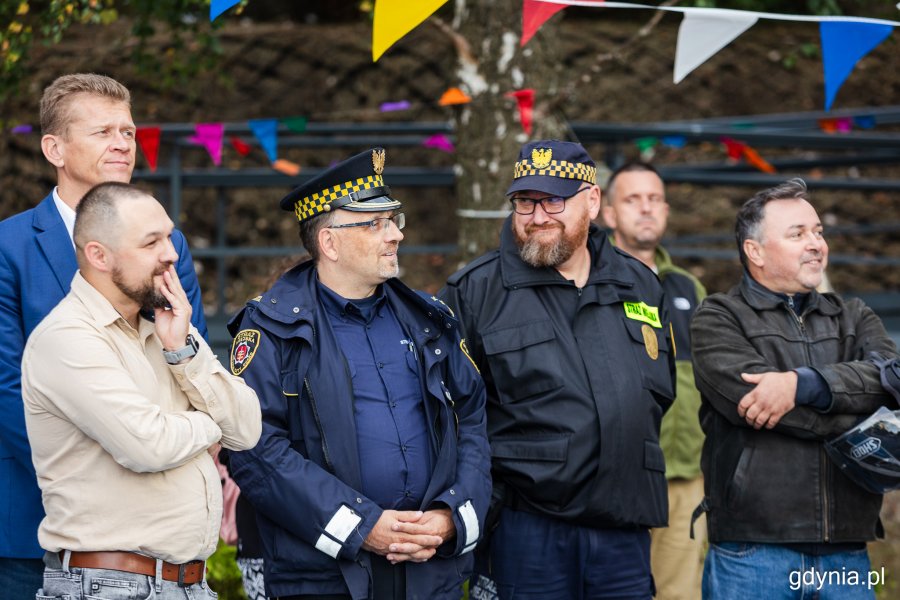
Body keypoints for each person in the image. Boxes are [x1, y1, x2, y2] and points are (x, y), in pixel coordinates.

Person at [226, 148, 492, 600]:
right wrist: (361, 527)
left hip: (429, 576)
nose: (394, 236)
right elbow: (253, 448)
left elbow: (472, 420)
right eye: (374, 224)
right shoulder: (270, 329)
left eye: (394, 220)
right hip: (324, 580)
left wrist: (450, 516)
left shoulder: (430, 319)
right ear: (329, 243)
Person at [0, 73, 208, 597]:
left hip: (162, 529)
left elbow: (192, 366)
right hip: (41, 518)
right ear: (54, 148)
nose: (121, 143)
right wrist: (120, 468)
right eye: (102, 132)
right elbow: (7, 389)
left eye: (129, 132)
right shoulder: (9, 247)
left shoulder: (167, 243)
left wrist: (156, 457)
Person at [441, 140, 676, 599]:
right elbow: (450, 419)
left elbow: (658, 395)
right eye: (525, 202)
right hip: (525, 533)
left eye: (553, 199)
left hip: (623, 532)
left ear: (592, 200)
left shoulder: (641, 284)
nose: (538, 215)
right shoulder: (475, 292)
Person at [20, 182, 261, 599]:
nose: (170, 252)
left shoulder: (170, 327)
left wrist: (183, 353)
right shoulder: (67, 338)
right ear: (99, 255)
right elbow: (147, 446)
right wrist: (210, 424)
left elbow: (247, 428)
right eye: (151, 242)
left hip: (189, 584)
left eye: (168, 235)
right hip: (108, 586)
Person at [690, 178, 900, 599]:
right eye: (798, 234)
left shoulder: (855, 315)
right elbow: (751, 406)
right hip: (752, 552)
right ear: (756, 251)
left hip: (848, 553)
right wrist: (859, 414)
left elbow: (892, 380)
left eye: (818, 231)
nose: (816, 243)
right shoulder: (717, 317)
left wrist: (803, 385)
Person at [602, 162, 706, 600]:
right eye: (632, 199)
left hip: (686, 478)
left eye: (654, 199)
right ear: (607, 213)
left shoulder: (688, 286)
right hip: (617, 479)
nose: (646, 209)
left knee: (680, 593)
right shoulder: (594, 280)